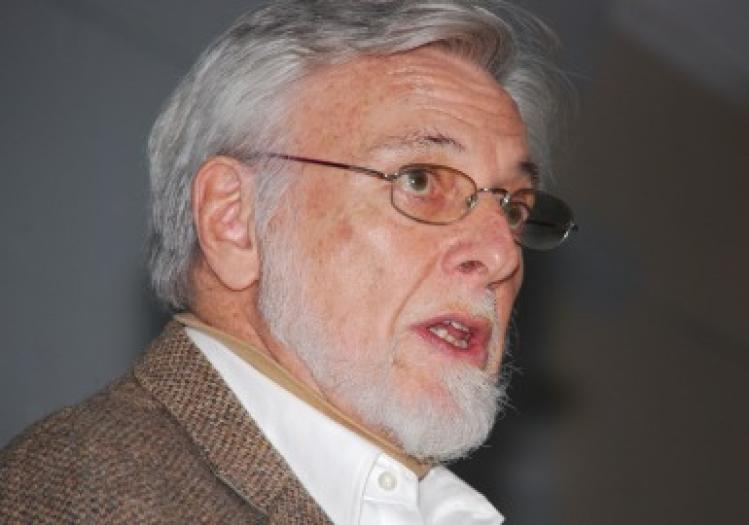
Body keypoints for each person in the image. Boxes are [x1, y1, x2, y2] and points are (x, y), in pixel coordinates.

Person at [0, 0, 575, 523]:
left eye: (515, 208)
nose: (501, 253)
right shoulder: (76, 496)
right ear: (233, 220)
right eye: (420, 180)